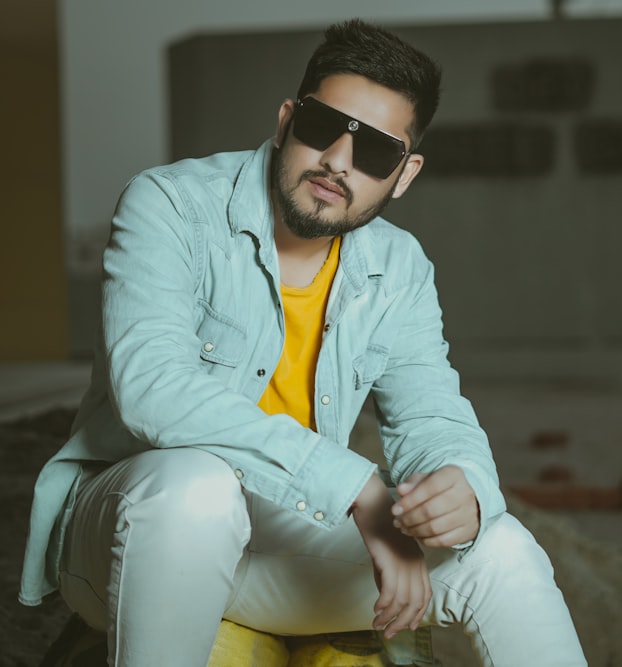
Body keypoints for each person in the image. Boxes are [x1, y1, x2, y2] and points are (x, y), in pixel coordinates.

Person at [20, 19, 587, 667]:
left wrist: (462, 488)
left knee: (504, 549)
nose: (338, 163)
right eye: (324, 128)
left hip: (284, 544)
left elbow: (432, 414)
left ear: (404, 175)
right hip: (140, 529)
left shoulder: (399, 267)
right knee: (196, 487)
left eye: (374, 153)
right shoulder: (172, 205)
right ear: (288, 119)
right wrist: (357, 488)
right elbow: (154, 389)